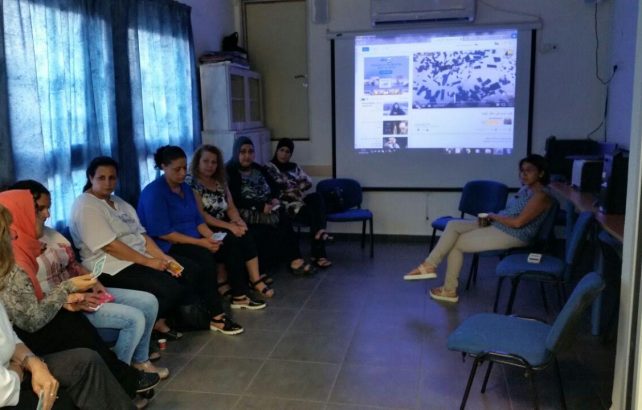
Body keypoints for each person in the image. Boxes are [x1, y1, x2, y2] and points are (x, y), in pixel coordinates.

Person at [0, 190, 160, 402]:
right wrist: (65, 290)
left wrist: (66, 296)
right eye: (36, 211)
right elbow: (29, 319)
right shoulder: (15, 262)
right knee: (76, 332)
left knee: (78, 326)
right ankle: (122, 379)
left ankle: (122, 378)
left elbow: (28, 303)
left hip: (34, 328)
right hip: (22, 343)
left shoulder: (35, 245)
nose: (46, 215)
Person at [70, 156, 192, 341]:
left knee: (186, 271)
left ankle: (160, 321)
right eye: (101, 178)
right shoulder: (85, 205)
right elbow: (110, 246)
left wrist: (163, 257)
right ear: (90, 177)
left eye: (112, 178)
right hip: (109, 265)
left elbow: (142, 235)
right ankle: (148, 329)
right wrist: (149, 262)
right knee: (168, 287)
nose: (108, 183)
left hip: (137, 257)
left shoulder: (118, 202)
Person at [404, 154, 553, 303]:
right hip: (499, 225)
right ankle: (430, 267)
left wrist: (494, 216)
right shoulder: (525, 190)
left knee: (455, 244)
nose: (523, 174)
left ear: (541, 173)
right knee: (453, 225)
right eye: (522, 170)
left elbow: (518, 223)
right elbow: (510, 214)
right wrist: (492, 218)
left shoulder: (541, 196)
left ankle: (447, 288)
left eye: (529, 170)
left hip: (515, 234)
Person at [138, 146, 253, 331]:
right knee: (204, 257)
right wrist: (202, 243)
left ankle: (239, 295)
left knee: (230, 241)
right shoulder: (154, 192)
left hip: (193, 237)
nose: (182, 173)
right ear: (163, 167)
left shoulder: (185, 188)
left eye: (184, 168)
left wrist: (212, 238)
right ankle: (217, 316)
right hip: (167, 245)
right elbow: (164, 233)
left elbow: (198, 221)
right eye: (177, 169)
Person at [187, 144, 274, 298]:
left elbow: (231, 207)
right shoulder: (192, 182)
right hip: (204, 226)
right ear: (197, 162)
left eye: (214, 162)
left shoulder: (220, 181)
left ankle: (255, 279)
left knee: (245, 233)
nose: (210, 165)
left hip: (223, 222)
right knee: (232, 239)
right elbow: (202, 215)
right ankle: (233, 286)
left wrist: (238, 221)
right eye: (206, 161)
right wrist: (229, 226)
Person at [226, 137, 316, 276]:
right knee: (264, 228)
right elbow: (234, 199)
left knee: (283, 216)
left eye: (251, 151)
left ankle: (295, 259)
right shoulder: (230, 171)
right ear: (236, 152)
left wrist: (274, 199)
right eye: (243, 152)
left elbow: (274, 187)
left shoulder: (258, 168)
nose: (247, 156)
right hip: (245, 212)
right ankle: (259, 271)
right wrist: (259, 206)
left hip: (266, 207)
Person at [265, 138, 333, 268]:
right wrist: (294, 188)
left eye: (288, 152)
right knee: (316, 214)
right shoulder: (269, 168)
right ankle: (319, 253)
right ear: (277, 151)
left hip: (299, 202)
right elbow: (277, 185)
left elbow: (308, 181)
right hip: (284, 205)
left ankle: (319, 236)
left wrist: (296, 188)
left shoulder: (294, 166)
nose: (284, 154)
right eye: (282, 150)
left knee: (317, 198)